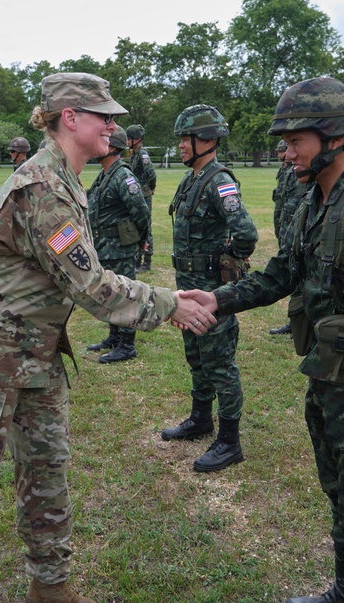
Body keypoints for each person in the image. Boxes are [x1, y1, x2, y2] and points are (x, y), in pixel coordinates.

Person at [0, 73, 217, 603]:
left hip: (34, 355)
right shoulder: (42, 187)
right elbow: (93, 286)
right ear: (70, 118)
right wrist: (172, 304)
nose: (114, 127)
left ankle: (51, 588)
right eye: (105, 116)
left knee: (46, 472)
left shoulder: (64, 179)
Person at [181, 77, 344, 603]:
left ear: (334, 136)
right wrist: (218, 299)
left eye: (296, 141)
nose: (285, 151)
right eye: (285, 141)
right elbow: (280, 274)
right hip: (328, 374)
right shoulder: (313, 202)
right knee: (340, 490)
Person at [162, 104, 258, 473]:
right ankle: (201, 419)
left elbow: (247, 233)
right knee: (196, 357)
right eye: (183, 139)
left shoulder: (219, 180)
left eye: (187, 138)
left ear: (208, 140)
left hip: (211, 291)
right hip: (189, 288)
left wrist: (227, 263)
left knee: (220, 364)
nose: (182, 145)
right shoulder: (192, 178)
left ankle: (230, 441)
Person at [85, 126, 150, 363]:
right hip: (106, 247)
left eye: (102, 140)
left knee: (125, 294)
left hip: (120, 247)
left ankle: (127, 345)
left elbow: (141, 212)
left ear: (112, 147)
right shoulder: (105, 173)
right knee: (111, 294)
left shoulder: (123, 175)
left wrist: (140, 241)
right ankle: (114, 336)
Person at [269, 138, 294, 336]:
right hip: (284, 222)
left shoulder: (297, 170)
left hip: (293, 224)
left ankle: (297, 322)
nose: (281, 155)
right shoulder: (285, 170)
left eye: (282, 151)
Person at [126, 124, 157, 272]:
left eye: (129, 139)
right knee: (137, 226)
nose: (127, 142)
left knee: (146, 227)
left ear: (137, 139)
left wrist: (150, 187)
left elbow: (151, 173)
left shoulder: (143, 154)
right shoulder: (134, 154)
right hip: (138, 194)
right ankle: (137, 260)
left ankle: (147, 261)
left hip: (144, 194)